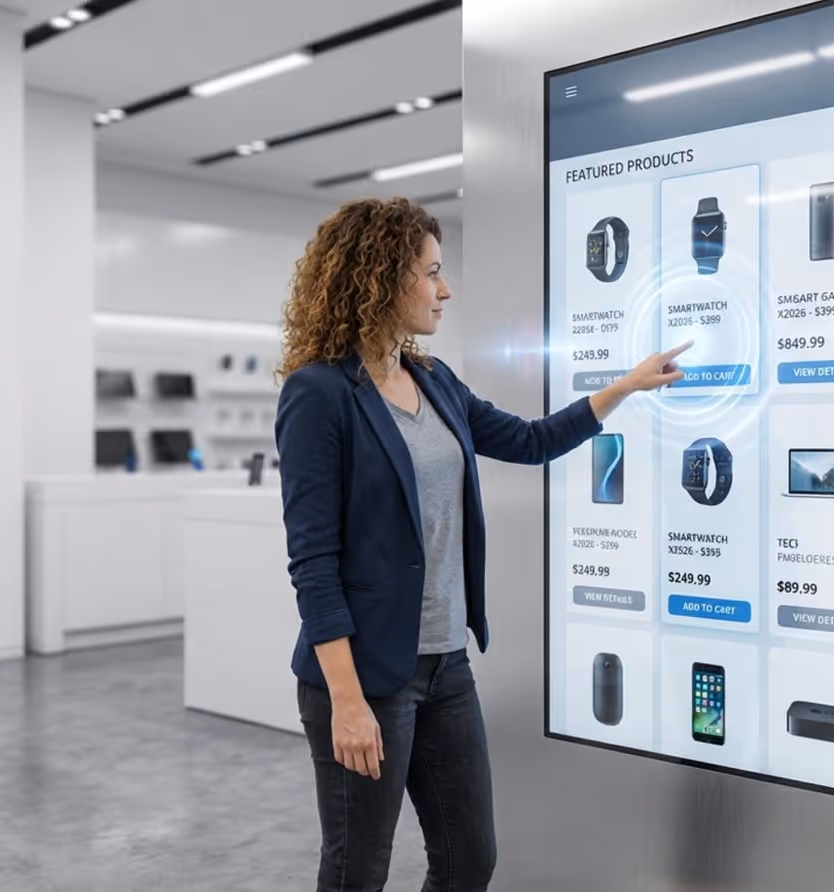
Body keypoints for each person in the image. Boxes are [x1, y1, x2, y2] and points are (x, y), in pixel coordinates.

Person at [275, 197, 687, 892]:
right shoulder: (318, 394)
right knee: (356, 873)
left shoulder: (434, 380)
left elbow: (528, 440)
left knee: (471, 861)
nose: (445, 290)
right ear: (380, 277)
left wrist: (625, 387)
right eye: (431, 273)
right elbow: (313, 562)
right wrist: (347, 701)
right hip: (368, 679)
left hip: (446, 668)